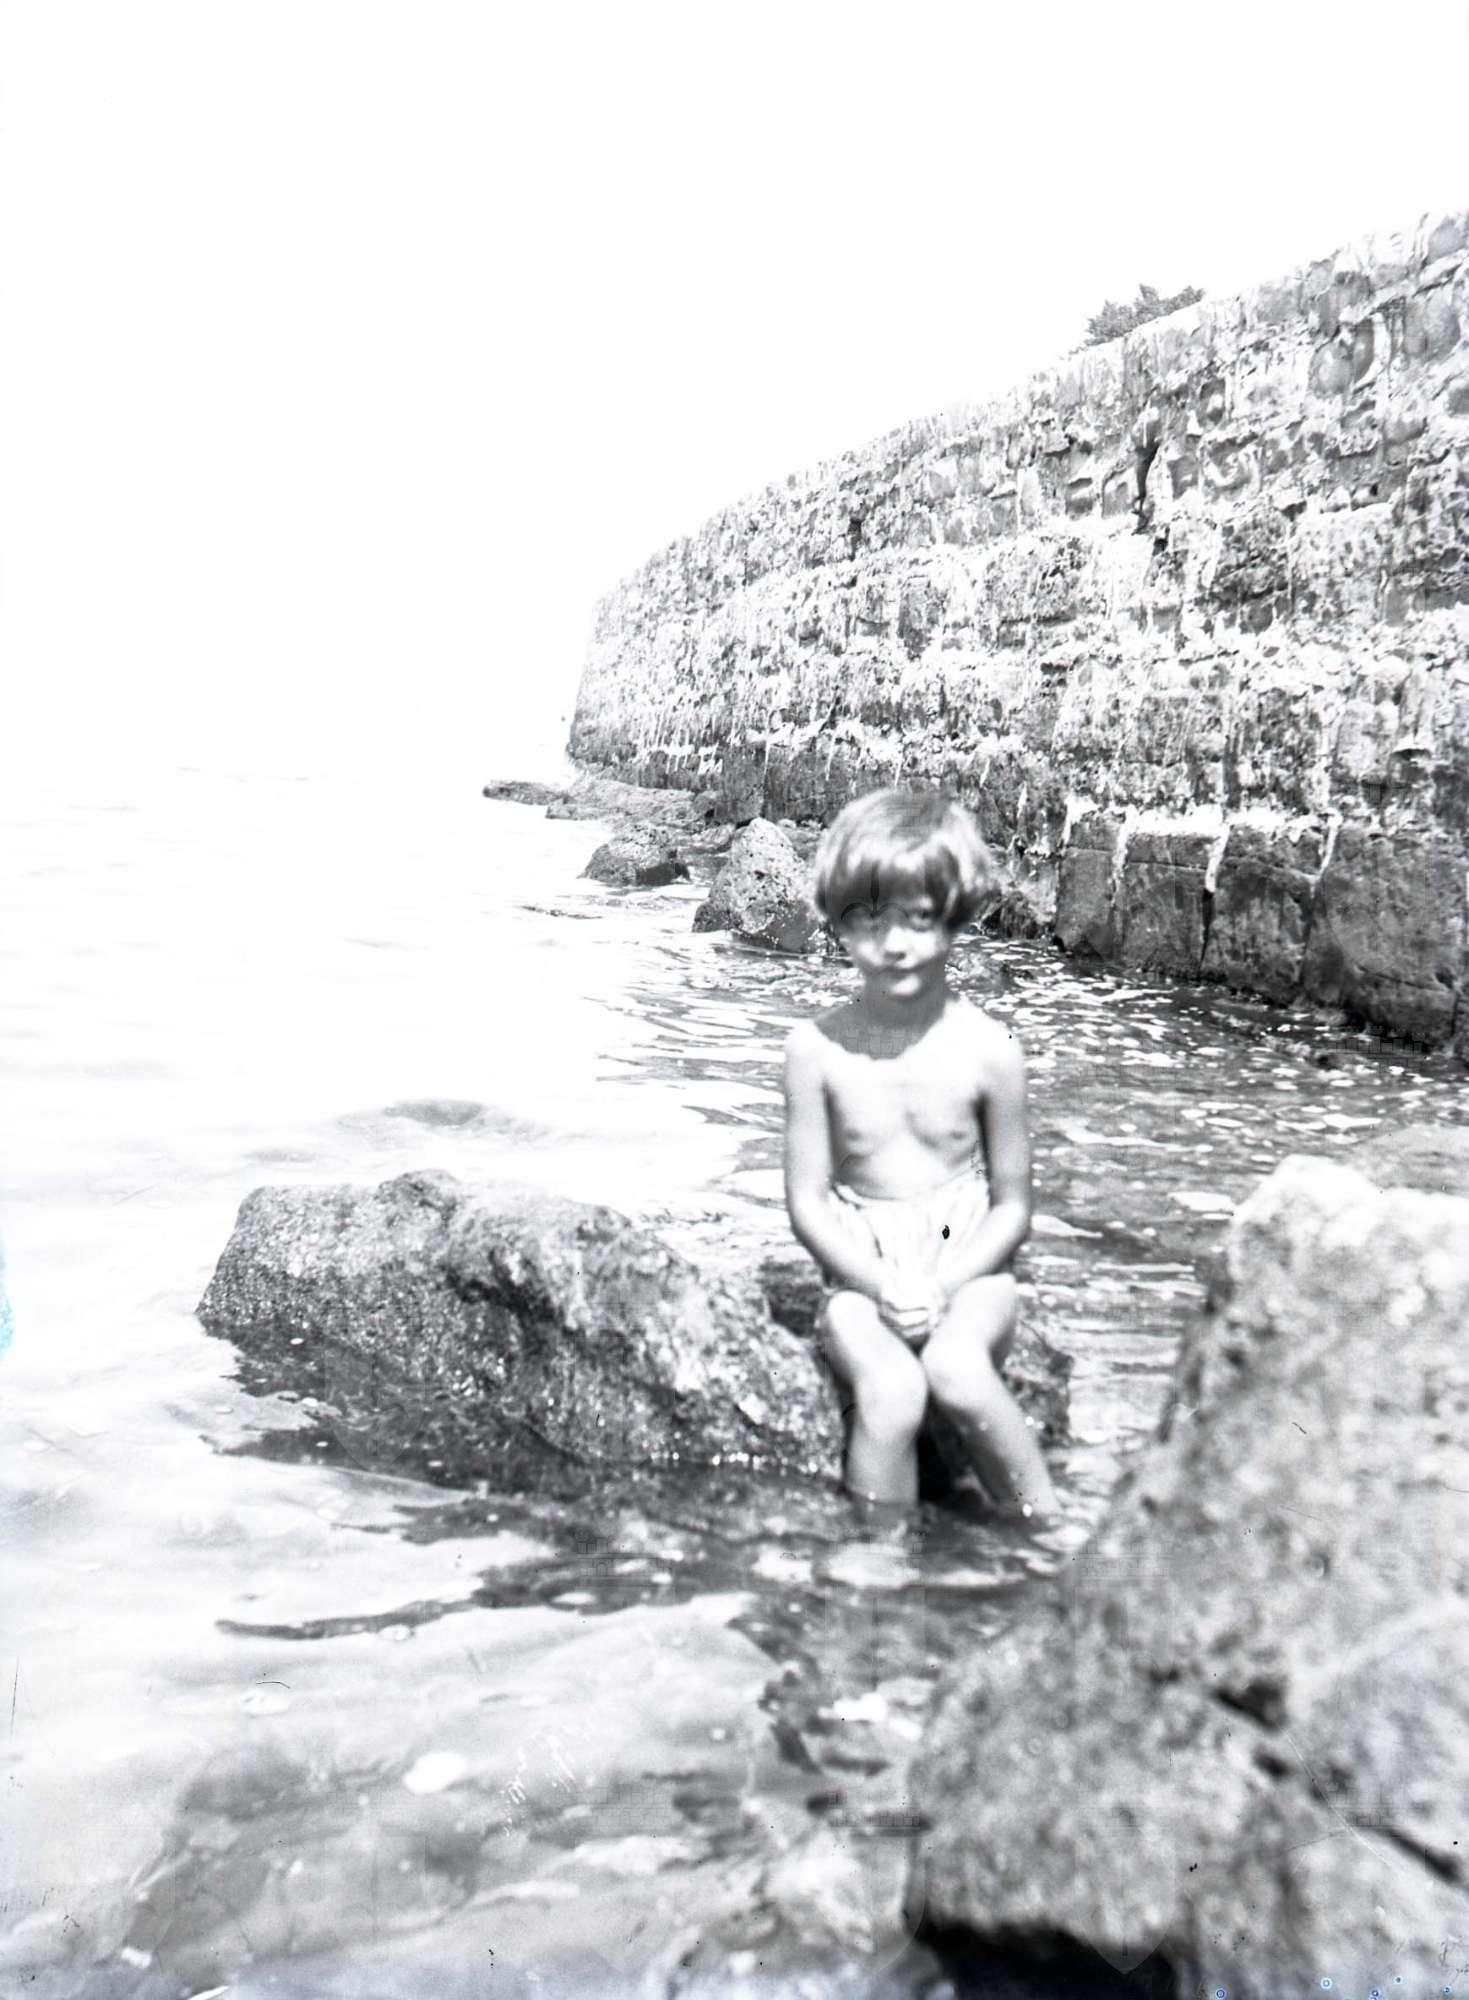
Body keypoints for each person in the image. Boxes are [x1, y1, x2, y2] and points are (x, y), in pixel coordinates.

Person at [782, 787, 1058, 1523]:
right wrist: (876, 1283)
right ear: (836, 921)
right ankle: (879, 1557)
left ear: (955, 915)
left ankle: (1042, 1528)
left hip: (970, 1271)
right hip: (859, 1276)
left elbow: (1013, 1207)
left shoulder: (991, 1051)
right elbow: (807, 1203)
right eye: (869, 919)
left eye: (918, 918)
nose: (895, 944)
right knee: (893, 1391)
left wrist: (943, 1284)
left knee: (955, 1368)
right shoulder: (814, 1051)